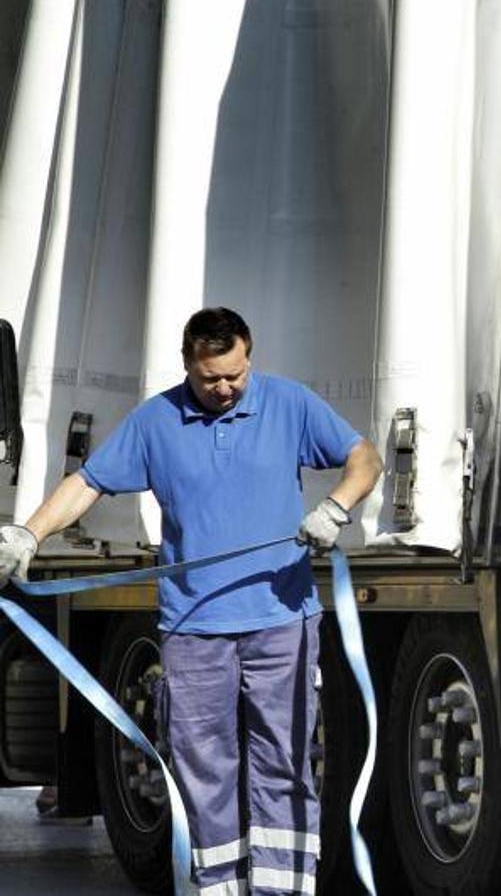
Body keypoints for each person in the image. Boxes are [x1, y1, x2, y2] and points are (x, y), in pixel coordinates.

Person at [0, 307, 382, 895]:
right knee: (204, 769)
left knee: (283, 761)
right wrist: (30, 533)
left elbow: (365, 458)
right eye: (211, 379)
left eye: (235, 374)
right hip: (193, 629)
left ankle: (283, 889)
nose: (226, 388)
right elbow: (89, 483)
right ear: (188, 366)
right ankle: (217, 887)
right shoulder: (156, 422)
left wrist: (337, 506)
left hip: (281, 622)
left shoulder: (290, 405)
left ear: (248, 356)